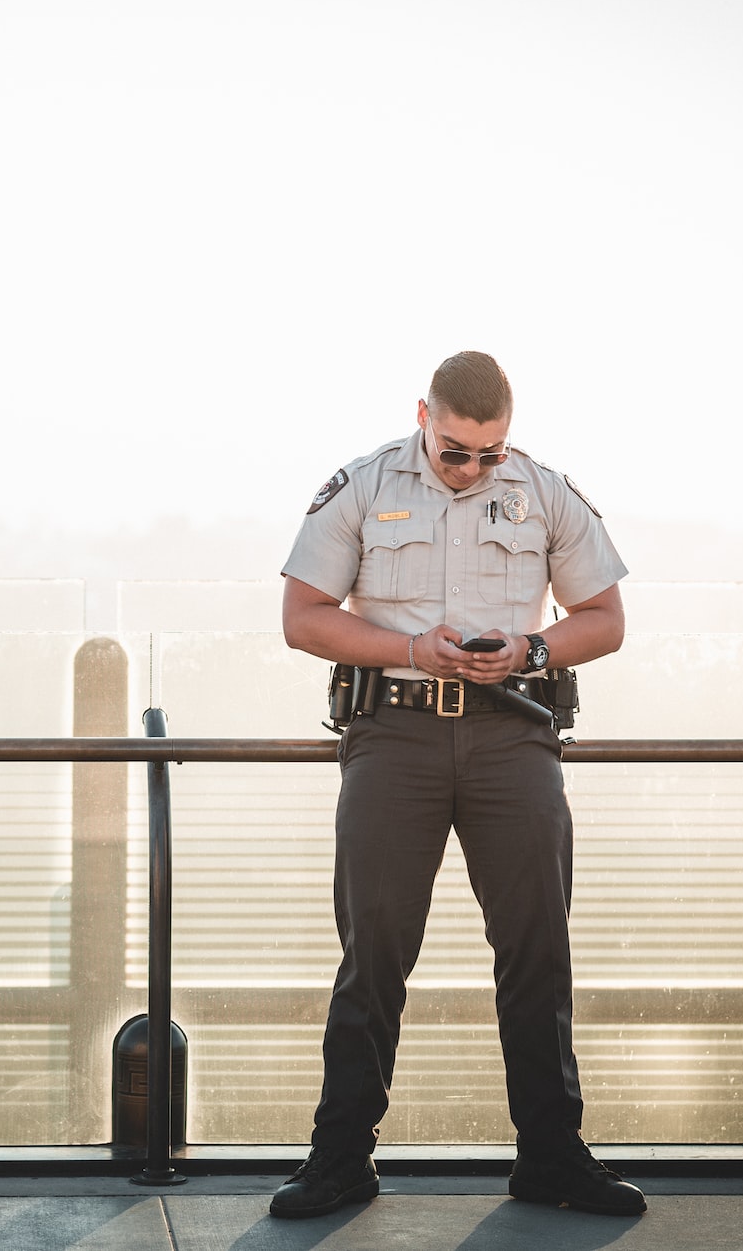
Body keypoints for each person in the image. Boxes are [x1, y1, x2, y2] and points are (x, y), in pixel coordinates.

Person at [268, 350, 644, 1219]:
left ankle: (551, 1156)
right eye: (456, 451)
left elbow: (606, 618)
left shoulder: (544, 492)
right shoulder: (361, 486)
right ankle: (338, 1159)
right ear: (424, 419)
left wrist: (533, 650)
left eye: (490, 452)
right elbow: (302, 617)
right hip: (392, 736)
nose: (473, 468)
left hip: (514, 735)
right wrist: (409, 647)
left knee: (538, 950)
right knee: (375, 951)